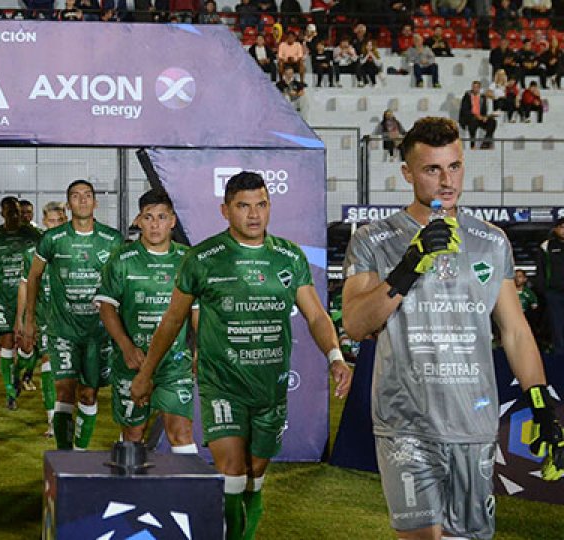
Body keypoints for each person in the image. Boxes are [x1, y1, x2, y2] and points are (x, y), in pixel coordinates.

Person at [342, 116, 564, 540]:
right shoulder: (374, 239)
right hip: (406, 420)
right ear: (407, 172)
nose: (446, 180)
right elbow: (354, 324)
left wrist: (541, 403)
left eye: (454, 166)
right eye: (432, 169)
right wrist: (409, 265)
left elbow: (514, 330)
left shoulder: (492, 240)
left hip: (473, 423)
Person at [132, 172, 352, 540]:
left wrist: (335, 356)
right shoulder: (203, 259)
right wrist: (146, 373)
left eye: (261, 205)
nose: (254, 214)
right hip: (223, 386)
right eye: (243, 206)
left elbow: (315, 314)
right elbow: (172, 320)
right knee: (232, 471)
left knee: (254, 474)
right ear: (225, 210)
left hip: (270, 387)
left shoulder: (288, 256)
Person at [20, 180, 123, 450]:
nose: (82, 200)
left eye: (87, 196)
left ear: (95, 202)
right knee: (65, 391)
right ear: (69, 204)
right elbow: (33, 277)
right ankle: (65, 456)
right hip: (62, 330)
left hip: (98, 333)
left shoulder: (112, 239)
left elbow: (122, 283)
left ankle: (80, 451)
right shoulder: (52, 239)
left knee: (88, 394)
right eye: (76, 196)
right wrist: (29, 320)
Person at [95, 189, 198, 454]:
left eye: (162, 217)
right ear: (138, 221)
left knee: (181, 432)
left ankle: (185, 495)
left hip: (174, 364)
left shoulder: (188, 260)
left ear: (172, 221)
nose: (155, 224)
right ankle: (130, 494)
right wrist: (127, 348)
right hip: (133, 362)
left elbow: (197, 312)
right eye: (148, 217)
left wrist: (201, 352)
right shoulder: (121, 259)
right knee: (134, 432)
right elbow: (106, 307)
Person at [0, 196, 42, 410]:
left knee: (29, 346)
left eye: (17, 211)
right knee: (6, 342)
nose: (15, 215)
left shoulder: (33, 236)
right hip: (3, 299)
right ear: (2, 213)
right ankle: (10, 392)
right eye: (10, 212)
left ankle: (18, 373)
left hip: (31, 297)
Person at [17, 201, 68, 437]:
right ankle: (52, 421)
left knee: (71, 374)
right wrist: (23, 318)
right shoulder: (32, 254)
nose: (55, 225)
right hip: (45, 317)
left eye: (60, 221)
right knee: (49, 364)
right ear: (44, 222)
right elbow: (25, 286)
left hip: (73, 320)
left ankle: (67, 414)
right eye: (51, 221)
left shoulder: (74, 249)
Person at [535, 217, 564, 354]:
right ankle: (559, 355)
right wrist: (543, 290)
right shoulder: (546, 246)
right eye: (561, 227)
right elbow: (540, 269)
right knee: (557, 325)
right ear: (555, 229)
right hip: (554, 293)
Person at [459, 80, 497, 149]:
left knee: (492, 122)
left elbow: (484, 111)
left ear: (479, 88)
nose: (475, 89)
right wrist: (476, 116)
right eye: (473, 87)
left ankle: (485, 143)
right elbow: (465, 110)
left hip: (480, 117)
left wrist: (485, 117)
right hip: (469, 117)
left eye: (477, 87)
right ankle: (472, 144)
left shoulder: (482, 97)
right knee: (473, 121)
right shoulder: (467, 96)